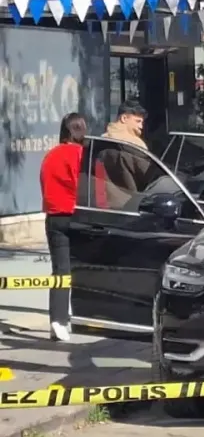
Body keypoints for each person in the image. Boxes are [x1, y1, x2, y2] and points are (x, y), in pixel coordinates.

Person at [39, 112, 87, 342]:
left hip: (54, 217)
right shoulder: (81, 155)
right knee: (83, 267)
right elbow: (86, 187)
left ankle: (57, 321)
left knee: (60, 271)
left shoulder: (50, 156)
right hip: (76, 215)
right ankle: (82, 314)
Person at [98, 100, 151, 209]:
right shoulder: (134, 146)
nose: (141, 126)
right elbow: (149, 175)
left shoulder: (101, 141)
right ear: (124, 119)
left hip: (102, 205)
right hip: (131, 206)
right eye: (138, 121)